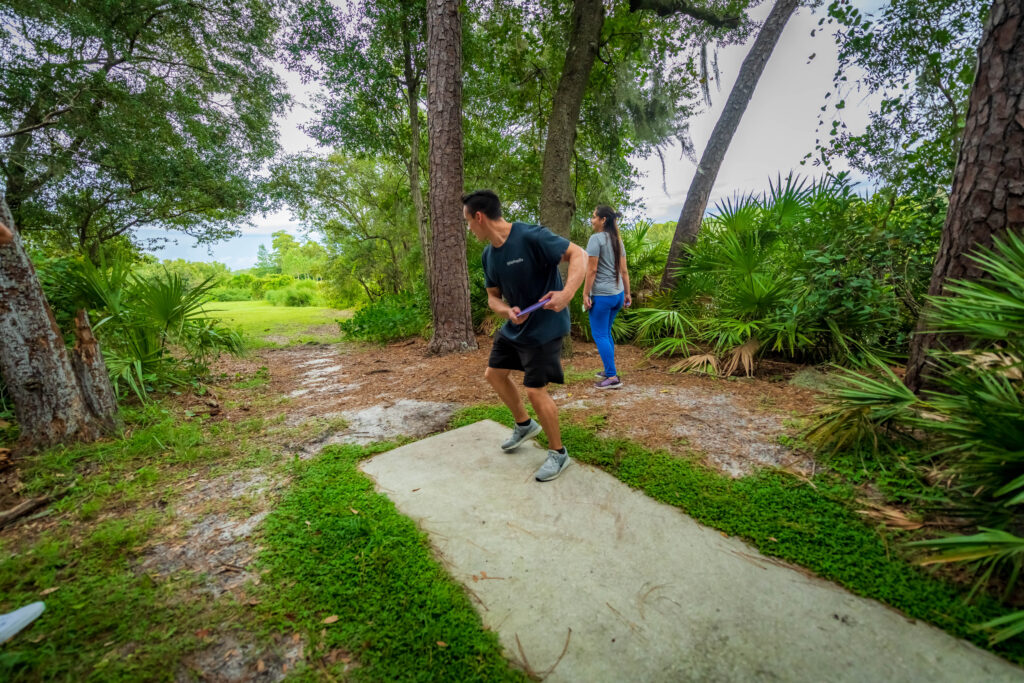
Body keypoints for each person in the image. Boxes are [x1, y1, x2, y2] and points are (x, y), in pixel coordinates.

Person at [463, 190, 587, 482]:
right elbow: (492, 298)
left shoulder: (530, 236)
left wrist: (567, 293)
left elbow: (578, 254)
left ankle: (559, 453)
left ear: (478, 217)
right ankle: (524, 424)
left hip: (545, 327)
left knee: (535, 389)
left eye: (467, 221)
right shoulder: (488, 255)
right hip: (515, 326)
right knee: (494, 374)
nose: (468, 228)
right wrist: (507, 311)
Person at [583, 205, 631, 389]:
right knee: (606, 332)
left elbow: (592, 270)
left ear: (603, 220)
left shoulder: (596, 239)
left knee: (600, 334)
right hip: (617, 296)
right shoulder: (617, 240)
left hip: (602, 297)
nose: (592, 220)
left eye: (594, 216)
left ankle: (612, 378)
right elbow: (624, 271)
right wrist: (627, 293)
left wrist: (585, 293)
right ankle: (609, 369)